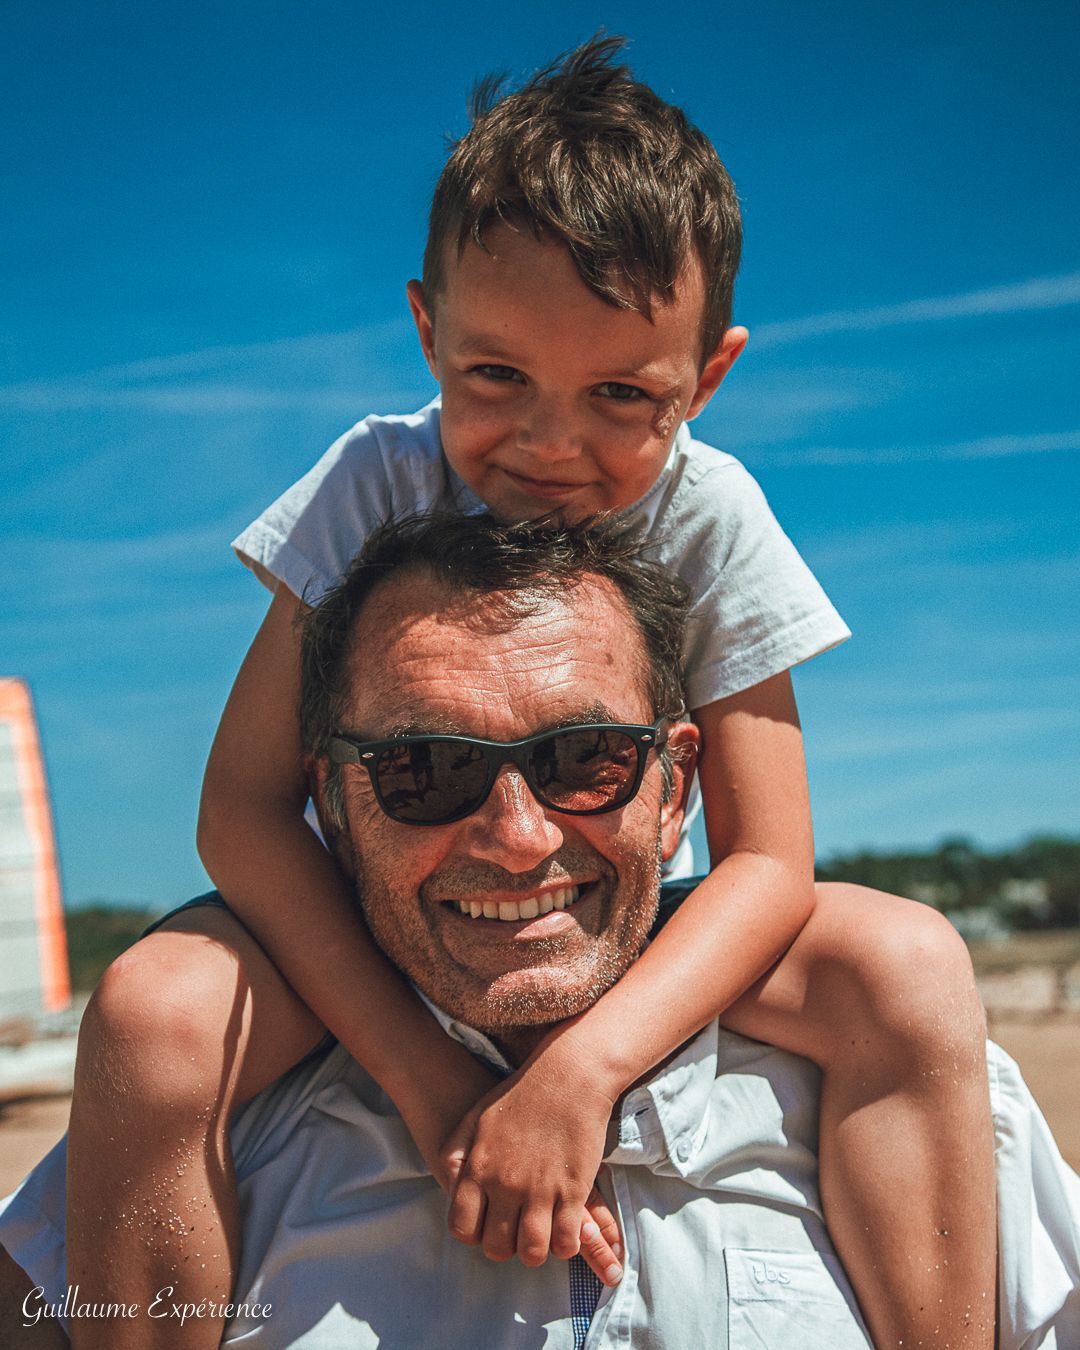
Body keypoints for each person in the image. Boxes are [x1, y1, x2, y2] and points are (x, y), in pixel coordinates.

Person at [56, 34, 1000, 1350]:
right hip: (389, 915)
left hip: (610, 915)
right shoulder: (374, 480)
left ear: (708, 377)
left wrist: (584, 1069)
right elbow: (248, 809)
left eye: (621, 394)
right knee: (154, 1010)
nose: (551, 445)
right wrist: (427, 1076)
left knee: (906, 962)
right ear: (426, 329)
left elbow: (771, 857)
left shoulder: (714, 513)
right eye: (496, 377)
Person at [1, 514, 1077, 1349]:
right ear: (331, 805)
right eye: (426, 770)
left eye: (586, 759)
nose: (519, 839)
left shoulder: (921, 1093)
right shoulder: (202, 1131)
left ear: (676, 789)